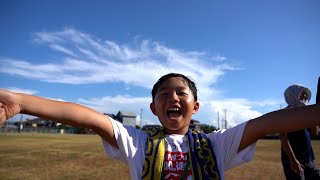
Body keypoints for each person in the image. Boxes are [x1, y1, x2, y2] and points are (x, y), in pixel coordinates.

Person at [0, 73, 319, 180]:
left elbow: (269, 122)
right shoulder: (138, 142)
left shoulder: (217, 144)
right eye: (164, 94)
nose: (173, 97)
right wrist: (21, 102)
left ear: (195, 107)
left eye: (181, 93)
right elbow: (89, 117)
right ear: (154, 108)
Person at [279, 84, 320, 180]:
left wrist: (313, 117)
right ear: (294, 94)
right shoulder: (285, 113)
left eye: (306, 94)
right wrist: (293, 160)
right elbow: (283, 138)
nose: (305, 97)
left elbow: (315, 133)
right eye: (303, 93)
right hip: (294, 161)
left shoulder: (305, 113)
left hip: (309, 160)